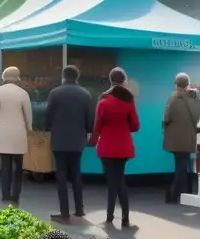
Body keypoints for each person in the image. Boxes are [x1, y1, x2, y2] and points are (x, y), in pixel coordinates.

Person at [90, 67, 141, 227]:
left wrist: (91, 142)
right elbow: (135, 126)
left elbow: (97, 126)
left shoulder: (103, 101)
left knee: (112, 182)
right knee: (119, 180)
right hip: (124, 147)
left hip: (106, 147)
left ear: (111, 81)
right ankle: (125, 216)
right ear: (124, 80)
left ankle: (109, 216)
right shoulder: (129, 100)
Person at [45, 65, 94, 220]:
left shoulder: (55, 93)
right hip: (77, 141)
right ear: (77, 77)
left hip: (59, 141)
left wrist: (47, 127)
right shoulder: (85, 94)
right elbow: (89, 120)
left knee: (61, 176)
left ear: (63, 76)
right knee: (76, 175)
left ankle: (64, 212)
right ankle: (80, 209)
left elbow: (48, 116)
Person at [0, 66, 32, 204]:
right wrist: (29, 129)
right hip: (19, 134)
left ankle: (5, 194)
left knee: (5, 165)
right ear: (17, 78)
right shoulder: (23, 93)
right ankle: (16, 194)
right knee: (18, 166)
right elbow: (28, 117)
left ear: (3, 77)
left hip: (2, 134)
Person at [163, 72, 200, 203]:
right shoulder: (197, 98)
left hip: (177, 139)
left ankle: (174, 195)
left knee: (180, 167)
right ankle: (187, 191)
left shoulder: (174, 98)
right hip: (191, 137)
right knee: (186, 165)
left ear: (177, 85)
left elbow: (166, 117)